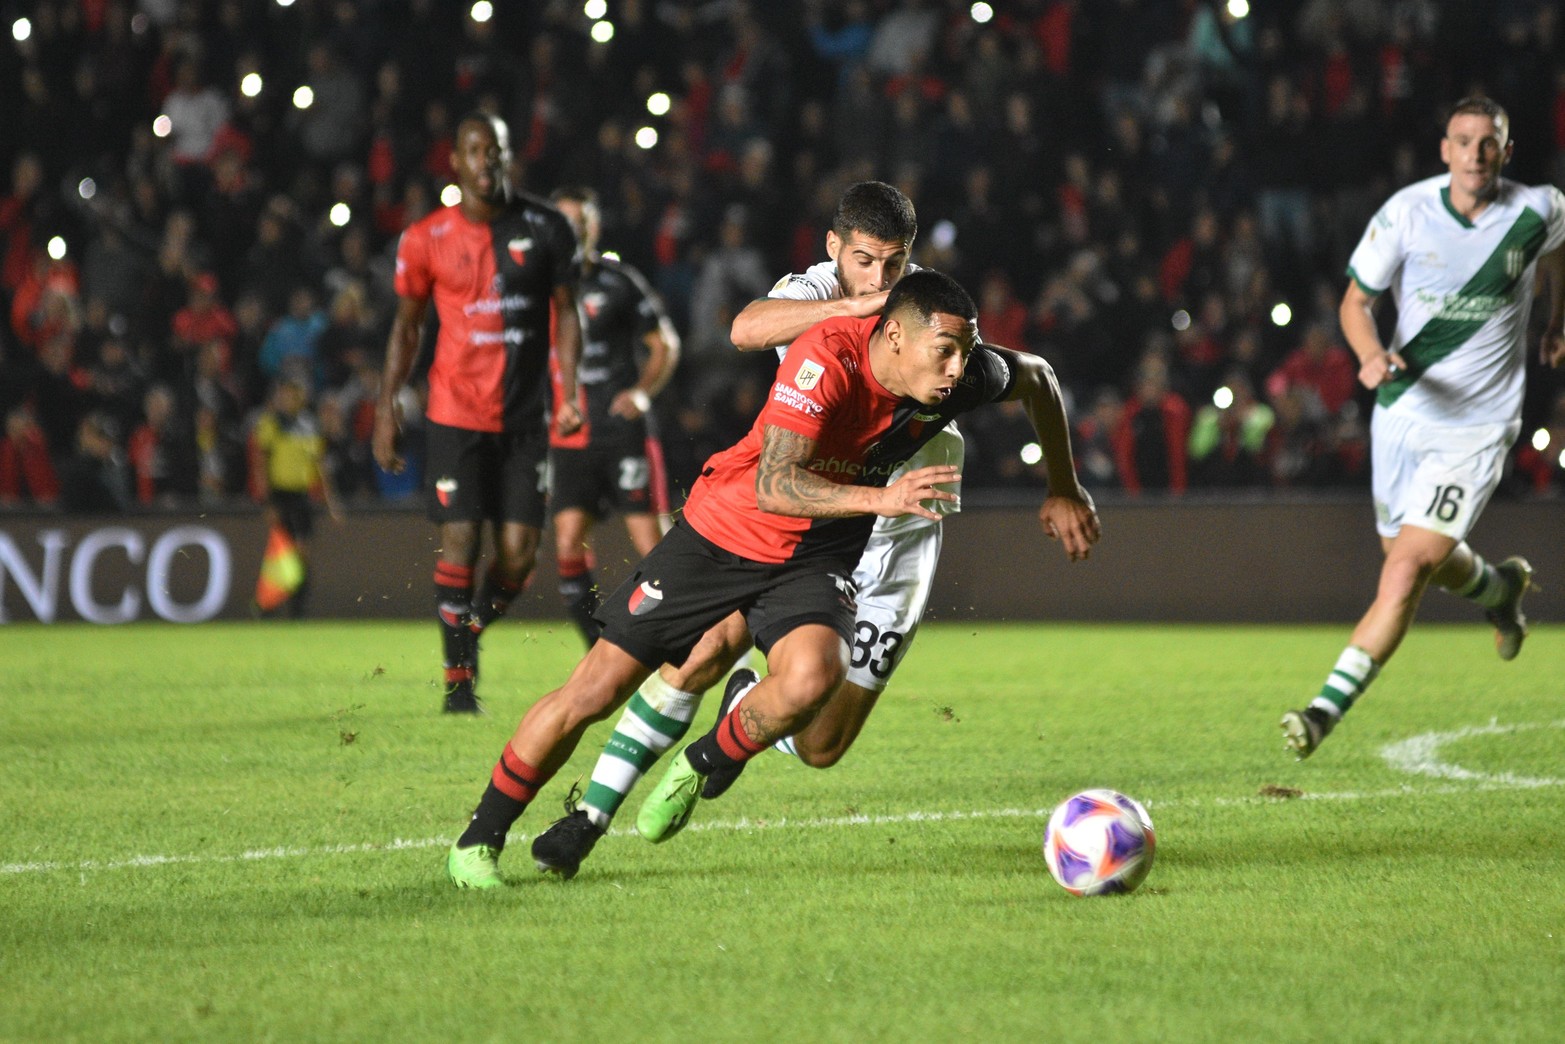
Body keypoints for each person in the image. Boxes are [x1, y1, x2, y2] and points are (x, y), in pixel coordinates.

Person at [445, 270, 1100, 889]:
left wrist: (1063, 488)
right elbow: (776, 483)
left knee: (814, 679)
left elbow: (1038, 376)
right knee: (595, 690)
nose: (957, 370)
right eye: (945, 351)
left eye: (966, 352)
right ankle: (479, 839)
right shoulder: (826, 360)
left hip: (813, 558)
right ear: (895, 336)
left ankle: (705, 759)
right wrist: (881, 500)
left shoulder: (962, 375)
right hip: (721, 538)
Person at [529, 182, 963, 877]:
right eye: (864, 262)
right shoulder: (822, 288)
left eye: (894, 265)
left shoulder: (928, 314)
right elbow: (745, 329)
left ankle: (742, 717)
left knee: (821, 744)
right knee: (700, 651)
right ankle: (588, 818)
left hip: (898, 534)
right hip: (807, 515)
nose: (879, 279)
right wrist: (851, 305)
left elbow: (1023, 375)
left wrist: (1062, 486)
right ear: (835, 251)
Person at [1281, 97, 1565, 759]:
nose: (1473, 155)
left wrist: (1555, 322)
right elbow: (1355, 303)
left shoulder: (1538, 209)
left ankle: (1321, 712)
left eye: (1486, 143)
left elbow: (1556, 255)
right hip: (1404, 414)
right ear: (1444, 150)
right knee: (1406, 559)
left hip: (1478, 426)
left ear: (1505, 150)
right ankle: (1499, 589)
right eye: (1461, 142)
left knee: (1407, 568)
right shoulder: (1406, 212)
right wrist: (1369, 355)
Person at [373, 112, 583, 714]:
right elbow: (406, 328)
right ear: (456, 162)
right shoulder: (426, 238)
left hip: (523, 419)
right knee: (461, 537)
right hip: (454, 415)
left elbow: (565, 313)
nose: (487, 161)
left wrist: (568, 392)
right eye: (475, 151)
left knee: (518, 556)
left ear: (508, 156)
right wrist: (387, 406)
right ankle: (459, 683)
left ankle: (464, 632)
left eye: (497, 150)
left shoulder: (546, 227)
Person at [546, 186, 681, 646]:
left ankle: (690, 634)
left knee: (652, 544)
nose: (573, 231)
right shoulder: (538, 289)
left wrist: (642, 394)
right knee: (567, 542)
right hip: (569, 434)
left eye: (581, 222)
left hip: (622, 431)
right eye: (564, 222)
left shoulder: (618, 281)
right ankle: (597, 648)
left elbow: (663, 344)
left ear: (593, 227)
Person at [250, 376, 343, 617]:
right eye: (284, 393)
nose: (287, 398)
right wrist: (267, 501)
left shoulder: (310, 425)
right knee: (281, 553)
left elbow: (320, 467)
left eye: (292, 393)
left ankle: (296, 609)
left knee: (302, 552)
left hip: (301, 496)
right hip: (280, 495)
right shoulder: (271, 423)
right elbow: (261, 462)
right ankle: (267, 606)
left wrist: (330, 502)